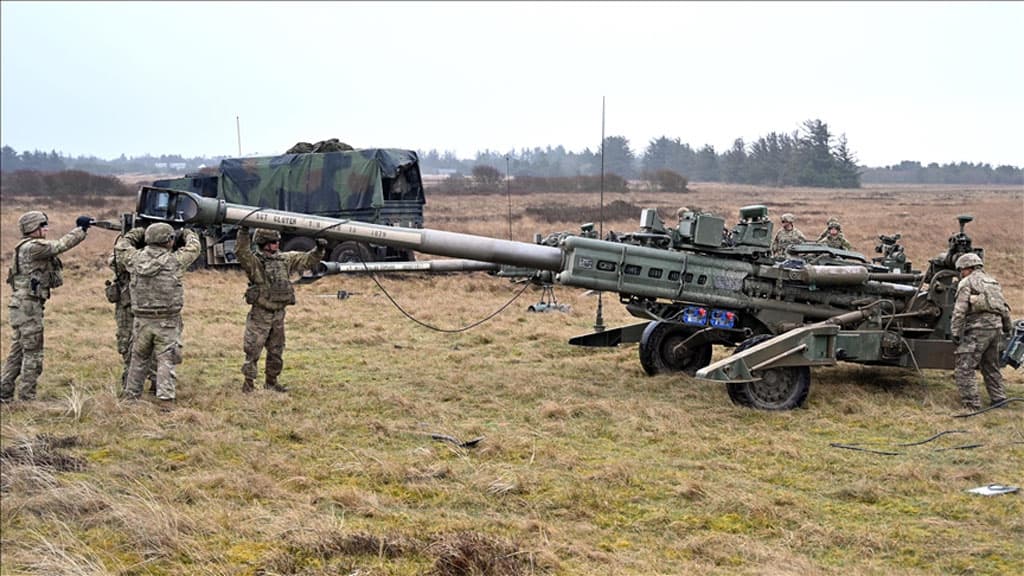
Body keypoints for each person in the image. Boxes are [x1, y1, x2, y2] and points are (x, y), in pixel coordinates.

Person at [2, 212, 92, 402]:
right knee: (33, 353)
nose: (46, 228)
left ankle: (4, 391)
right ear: (32, 228)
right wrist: (81, 230)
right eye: (42, 225)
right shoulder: (33, 247)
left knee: (18, 351)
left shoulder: (26, 247)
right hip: (28, 307)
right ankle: (27, 398)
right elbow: (60, 245)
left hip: (22, 305)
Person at [115, 223, 201, 404]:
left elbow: (121, 246)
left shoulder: (135, 259)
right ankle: (165, 399)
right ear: (169, 241)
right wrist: (187, 232)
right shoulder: (175, 261)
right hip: (166, 321)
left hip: (141, 320)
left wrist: (137, 232)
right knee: (166, 360)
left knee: (138, 359)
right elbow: (195, 247)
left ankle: (131, 396)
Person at [236, 226, 326, 393]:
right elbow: (242, 251)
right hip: (260, 313)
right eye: (272, 242)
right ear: (263, 243)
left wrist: (319, 249)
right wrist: (243, 232)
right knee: (253, 350)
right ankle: (248, 384)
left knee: (276, 350)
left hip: (278, 313)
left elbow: (307, 260)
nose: (276, 244)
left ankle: (272, 382)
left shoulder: (285, 260)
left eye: (277, 241)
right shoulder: (255, 263)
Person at [949, 252, 1012, 410]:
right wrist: (1007, 328)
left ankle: (972, 404)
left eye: (962, 270)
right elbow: (1004, 308)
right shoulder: (993, 282)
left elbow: (959, 311)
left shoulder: (967, 282)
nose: (961, 273)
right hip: (996, 329)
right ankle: (999, 399)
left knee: (964, 367)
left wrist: (955, 332)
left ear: (968, 268)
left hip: (978, 330)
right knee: (991, 366)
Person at [107, 232, 157, 391]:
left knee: (155, 345)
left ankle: (156, 382)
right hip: (128, 305)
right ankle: (130, 383)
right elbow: (115, 261)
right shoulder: (124, 254)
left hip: (151, 305)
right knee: (127, 343)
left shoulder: (158, 254)